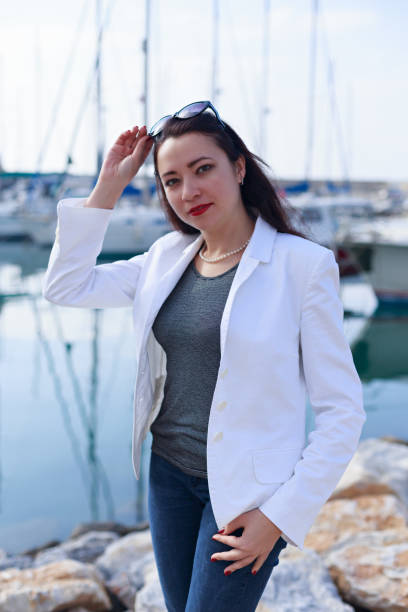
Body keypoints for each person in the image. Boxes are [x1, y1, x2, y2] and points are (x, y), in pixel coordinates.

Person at [42, 100, 366, 612]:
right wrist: (109, 185)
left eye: (203, 169)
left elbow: (343, 411)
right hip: (168, 475)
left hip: (246, 492)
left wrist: (279, 517)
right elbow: (66, 286)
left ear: (239, 168)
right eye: (171, 180)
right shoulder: (165, 258)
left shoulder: (302, 266)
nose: (188, 191)